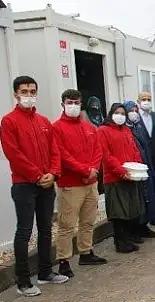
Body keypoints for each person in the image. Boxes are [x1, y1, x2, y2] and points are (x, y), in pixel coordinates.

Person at [0, 76, 68, 297]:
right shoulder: (9, 122)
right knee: (25, 231)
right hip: (24, 185)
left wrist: (54, 174)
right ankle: (23, 281)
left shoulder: (44, 122)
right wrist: (37, 175)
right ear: (16, 94)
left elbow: (55, 151)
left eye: (32, 91)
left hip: (46, 183)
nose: (29, 95)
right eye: (24, 91)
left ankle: (45, 272)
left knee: (46, 228)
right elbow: (14, 155)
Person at [53, 89, 107, 279]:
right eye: (70, 102)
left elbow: (98, 150)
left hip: (90, 183)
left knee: (88, 220)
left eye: (76, 102)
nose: (73, 106)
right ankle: (64, 260)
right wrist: (84, 170)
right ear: (63, 104)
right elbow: (62, 155)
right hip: (70, 184)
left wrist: (92, 169)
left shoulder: (89, 127)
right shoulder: (56, 128)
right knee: (67, 224)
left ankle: (86, 252)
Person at [99, 103, 144, 254]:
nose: (120, 116)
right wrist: (120, 171)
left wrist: (138, 167)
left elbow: (134, 149)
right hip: (114, 178)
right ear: (111, 114)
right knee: (118, 212)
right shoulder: (103, 130)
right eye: (117, 113)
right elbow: (106, 155)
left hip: (130, 176)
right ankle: (120, 242)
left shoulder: (126, 130)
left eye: (122, 113)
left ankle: (128, 238)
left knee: (130, 209)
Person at [124, 100, 155, 239]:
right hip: (133, 168)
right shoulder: (125, 129)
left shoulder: (138, 126)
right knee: (137, 199)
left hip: (145, 165)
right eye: (130, 111)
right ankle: (134, 229)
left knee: (147, 196)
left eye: (135, 110)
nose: (133, 113)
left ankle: (144, 225)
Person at [137, 91, 155, 227]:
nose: (146, 101)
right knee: (144, 189)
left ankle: (153, 216)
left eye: (149, 99)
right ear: (138, 101)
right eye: (143, 99)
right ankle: (143, 218)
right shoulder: (135, 118)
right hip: (141, 159)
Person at [84, 96, 106, 195]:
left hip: (102, 151)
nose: (95, 108)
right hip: (89, 153)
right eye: (92, 106)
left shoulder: (101, 117)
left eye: (97, 106)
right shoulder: (83, 116)